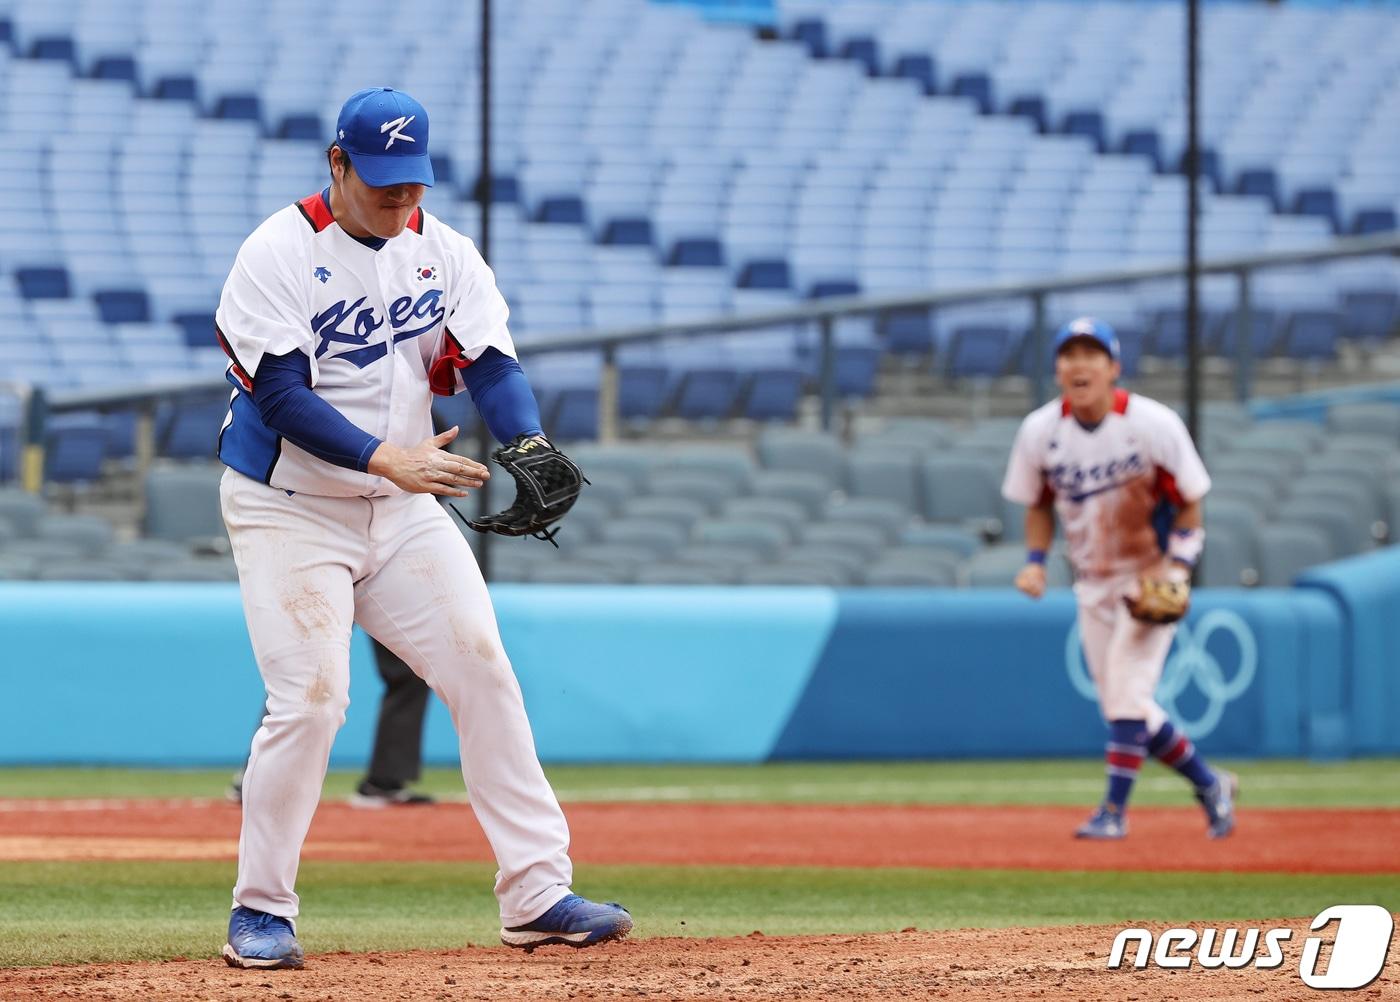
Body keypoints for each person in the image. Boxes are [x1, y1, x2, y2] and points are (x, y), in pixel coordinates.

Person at [214, 87, 631, 970]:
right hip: (290, 507)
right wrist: (386, 457)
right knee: (314, 700)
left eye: (413, 187)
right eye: (382, 187)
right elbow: (282, 395)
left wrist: (527, 441)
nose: (401, 204)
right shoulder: (277, 252)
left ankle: (537, 894)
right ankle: (262, 911)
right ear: (338, 164)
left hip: (403, 509)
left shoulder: (442, 252)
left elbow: (491, 363)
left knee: (484, 671)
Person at [1000, 317, 1237, 841]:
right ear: (1058, 368)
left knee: (1128, 699)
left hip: (1149, 573)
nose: (1079, 364)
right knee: (1124, 707)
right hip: (1092, 580)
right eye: (1069, 354)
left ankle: (1113, 811)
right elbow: (1038, 503)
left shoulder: (1152, 424)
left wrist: (1179, 568)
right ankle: (1210, 782)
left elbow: (1190, 502)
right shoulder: (1040, 431)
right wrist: (1036, 560)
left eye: (1091, 354)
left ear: (1114, 368)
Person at [227, 637, 437, 807]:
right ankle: (259, 779)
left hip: (379, 584)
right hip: (323, 585)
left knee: (412, 665)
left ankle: (385, 780)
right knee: (307, 676)